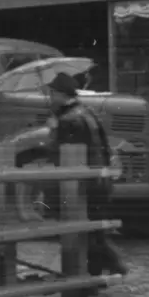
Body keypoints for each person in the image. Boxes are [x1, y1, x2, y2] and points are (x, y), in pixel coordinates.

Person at [44, 72, 129, 276]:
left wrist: (52, 131)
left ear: (60, 94)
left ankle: (108, 266)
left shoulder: (67, 120)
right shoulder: (88, 113)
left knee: (86, 232)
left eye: (52, 94)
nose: (50, 98)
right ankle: (95, 275)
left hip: (82, 186)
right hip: (100, 180)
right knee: (94, 229)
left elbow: (61, 154)